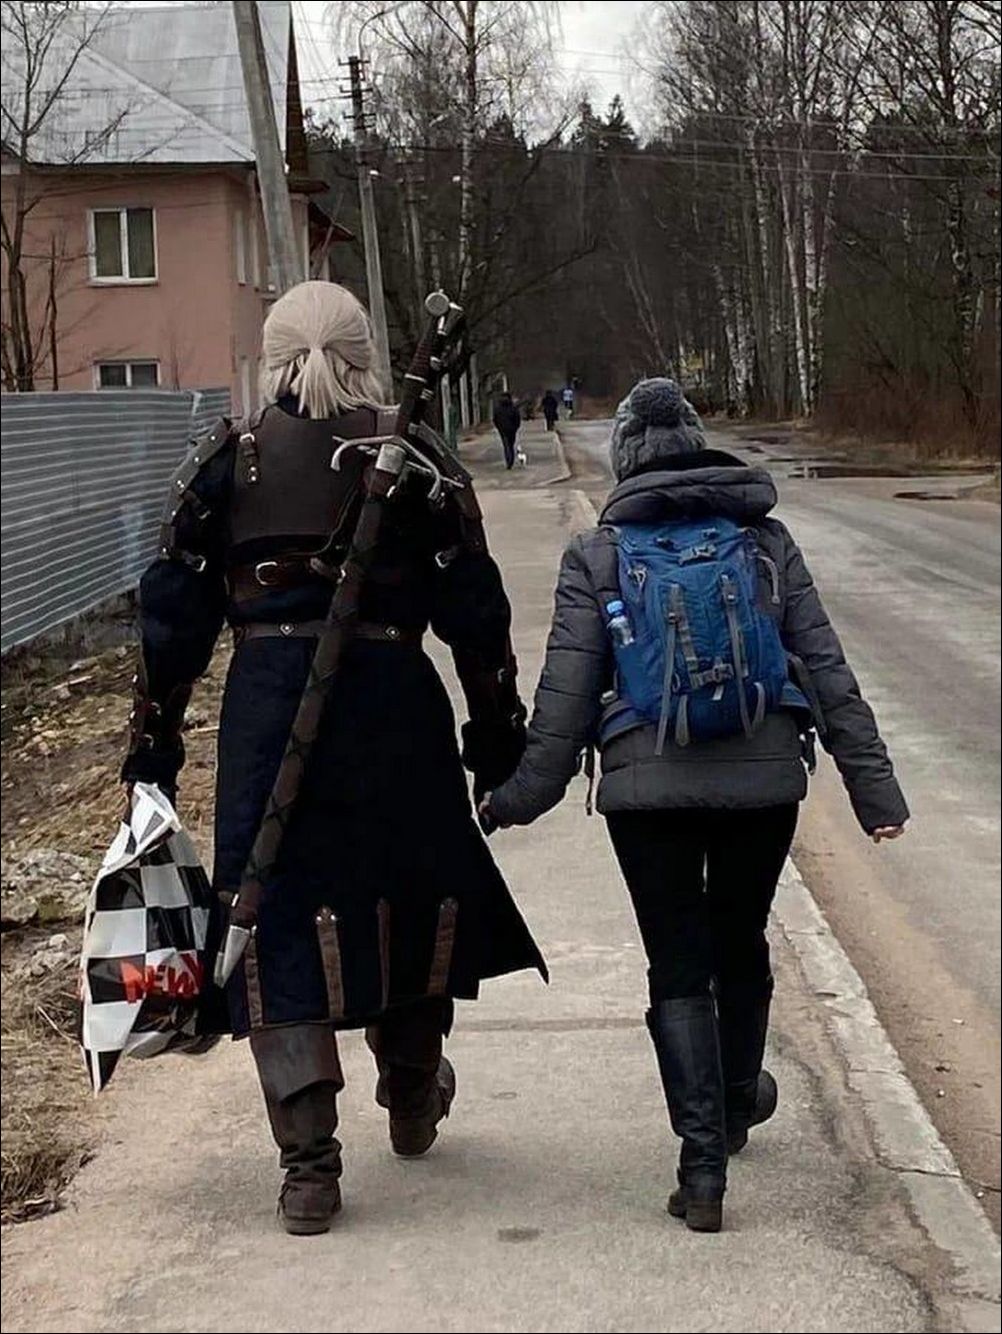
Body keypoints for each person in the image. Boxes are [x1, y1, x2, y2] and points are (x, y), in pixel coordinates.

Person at [121, 281, 546, 1236]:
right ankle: (412, 1090)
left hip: (268, 715)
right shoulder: (416, 457)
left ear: (275, 357)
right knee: (409, 896)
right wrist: (495, 739)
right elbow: (477, 616)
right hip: (396, 710)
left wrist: (152, 749)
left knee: (271, 913)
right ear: (364, 355)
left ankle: (309, 1167)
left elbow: (170, 621)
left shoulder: (227, 461)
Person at [482, 377, 907, 1234]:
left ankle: (702, 1169)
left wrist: (515, 799)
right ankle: (740, 1099)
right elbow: (826, 669)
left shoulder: (599, 555)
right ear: (698, 442)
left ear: (625, 458)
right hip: (763, 780)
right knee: (739, 938)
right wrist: (875, 791)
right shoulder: (765, 541)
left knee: (676, 961)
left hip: (648, 791)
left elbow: (565, 700)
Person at [492, 391, 522, 469]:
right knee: (510, 445)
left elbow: (495, 419)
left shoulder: (498, 408)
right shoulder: (513, 408)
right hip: (512, 430)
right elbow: (517, 418)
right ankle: (510, 460)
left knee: (506, 445)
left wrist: (499, 427)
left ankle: (509, 461)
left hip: (503, 430)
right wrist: (516, 427)